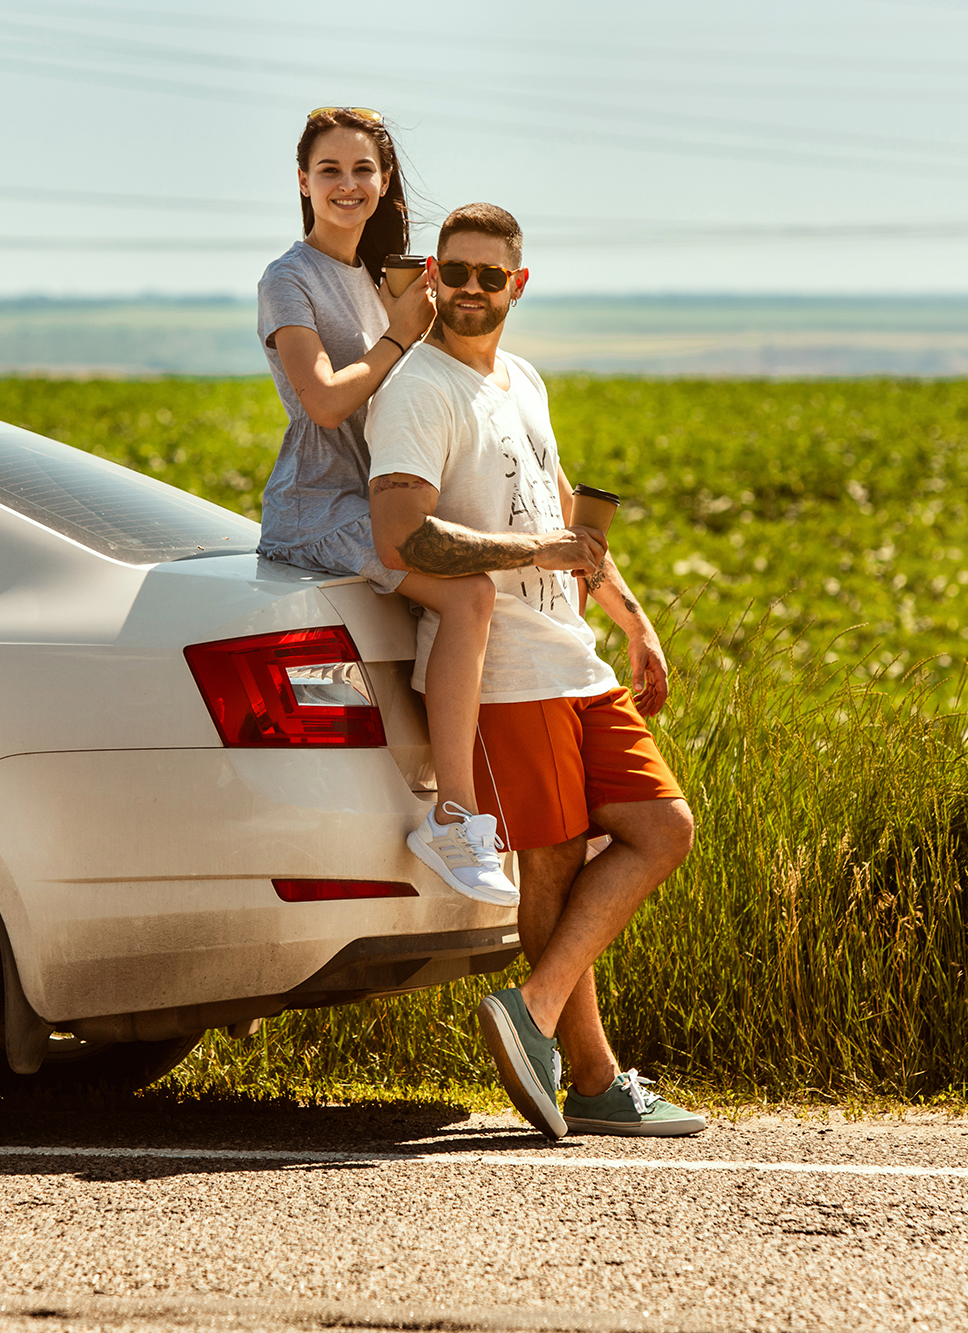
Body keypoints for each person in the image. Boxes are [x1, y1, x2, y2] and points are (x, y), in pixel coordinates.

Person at [366, 203, 704, 1138]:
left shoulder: (522, 379)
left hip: (575, 659)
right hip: (504, 670)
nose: (471, 290)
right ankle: (594, 1082)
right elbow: (405, 534)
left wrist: (632, 622)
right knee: (552, 859)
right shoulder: (416, 390)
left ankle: (537, 1008)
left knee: (661, 827)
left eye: (490, 276)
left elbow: (568, 523)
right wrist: (534, 551)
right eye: (456, 273)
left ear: (518, 285)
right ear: (433, 276)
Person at [255, 107, 519, 907]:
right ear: (302, 182)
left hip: (384, 500)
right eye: (329, 170)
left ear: (383, 182)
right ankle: (452, 815)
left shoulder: (383, 279)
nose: (347, 185)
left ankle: (498, 801)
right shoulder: (287, 279)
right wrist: (400, 337)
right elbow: (325, 403)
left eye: (362, 170)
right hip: (320, 507)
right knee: (468, 590)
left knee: (493, 579)